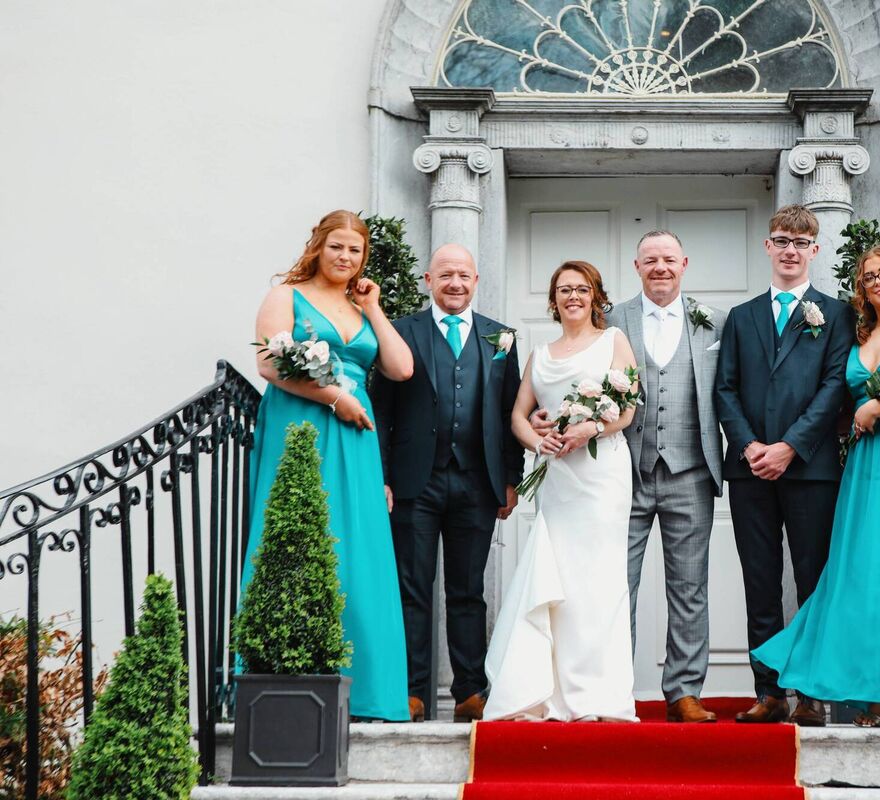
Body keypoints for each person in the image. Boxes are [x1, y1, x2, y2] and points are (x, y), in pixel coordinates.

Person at [752, 244, 880, 727]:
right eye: (868, 277)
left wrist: (877, 407)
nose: (878, 282)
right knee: (866, 580)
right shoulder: (858, 336)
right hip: (867, 467)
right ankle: (877, 695)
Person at [244, 209, 415, 721]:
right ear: (318, 246)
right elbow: (268, 362)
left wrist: (374, 308)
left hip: (355, 434)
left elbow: (401, 367)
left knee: (358, 547)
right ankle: (282, 676)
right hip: (301, 421)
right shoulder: (286, 296)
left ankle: (367, 692)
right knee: (296, 535)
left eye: (355, 250)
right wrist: (334, 397)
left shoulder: (360, 306)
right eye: (336, 246)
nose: (345, 256)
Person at [369, 243, 523, 723]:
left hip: (477, 484)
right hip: (414, 482)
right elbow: (381, 411)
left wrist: (511, 479)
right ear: (428, 280)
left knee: (467, 591)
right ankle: (412, 692)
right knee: (412, 588)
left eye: (463, 275)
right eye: (446, 275)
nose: (455, 283)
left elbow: (510, 411)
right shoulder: (401, 332)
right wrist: (382, 477)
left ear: (476, 281)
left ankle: (470, 692)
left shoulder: (501, 337)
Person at [714, 204, 855, 725]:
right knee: (760, 581)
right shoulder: (742, 316)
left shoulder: (836, 315)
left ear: (814, 250)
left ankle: (812, 695)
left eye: (800, 243)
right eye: (781, 241)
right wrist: (750, 445)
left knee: (813, 580)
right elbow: (725, 388)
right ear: (768, 247)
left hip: (811, 469)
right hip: (750, 470)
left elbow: (834, 387)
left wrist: (790, 446)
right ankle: (770, 692)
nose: (790, 251)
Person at [484, 261, 640, 721]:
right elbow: (518, 416)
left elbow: (628, 408)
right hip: (558, 479)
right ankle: (550, 690)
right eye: (564, 289)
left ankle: (598, 696)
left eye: (582, 289)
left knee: (600, 582)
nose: (573, 296)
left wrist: (591, 429)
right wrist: (539, 443)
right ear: (553, 299)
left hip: (602, 476)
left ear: (596, 296)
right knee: (559, 580)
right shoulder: (541, 354)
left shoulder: (614, 341)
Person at [606, 231, 726, 722]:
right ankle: (614, 690)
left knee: (689, 587)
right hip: (625, 472)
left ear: (684, 264)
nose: (660, 267)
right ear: (637, 266)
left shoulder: (715, 321)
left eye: (669, 259)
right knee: (617, 586)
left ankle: (683, 691)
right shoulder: (612, 319)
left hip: (690, 471)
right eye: (651, 259)